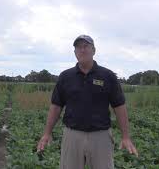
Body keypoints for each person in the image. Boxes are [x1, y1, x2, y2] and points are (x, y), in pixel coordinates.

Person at [37, 35, 138, 169]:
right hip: (72, 135)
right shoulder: (66, 77)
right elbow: (56, 106)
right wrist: (47, 133)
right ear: (75, 53)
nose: (82, 50)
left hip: (100, 136)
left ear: (94, 50)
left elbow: (119, 106)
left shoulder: (107, 76)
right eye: (78, 47)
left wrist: (126, 137)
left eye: (86, 46)